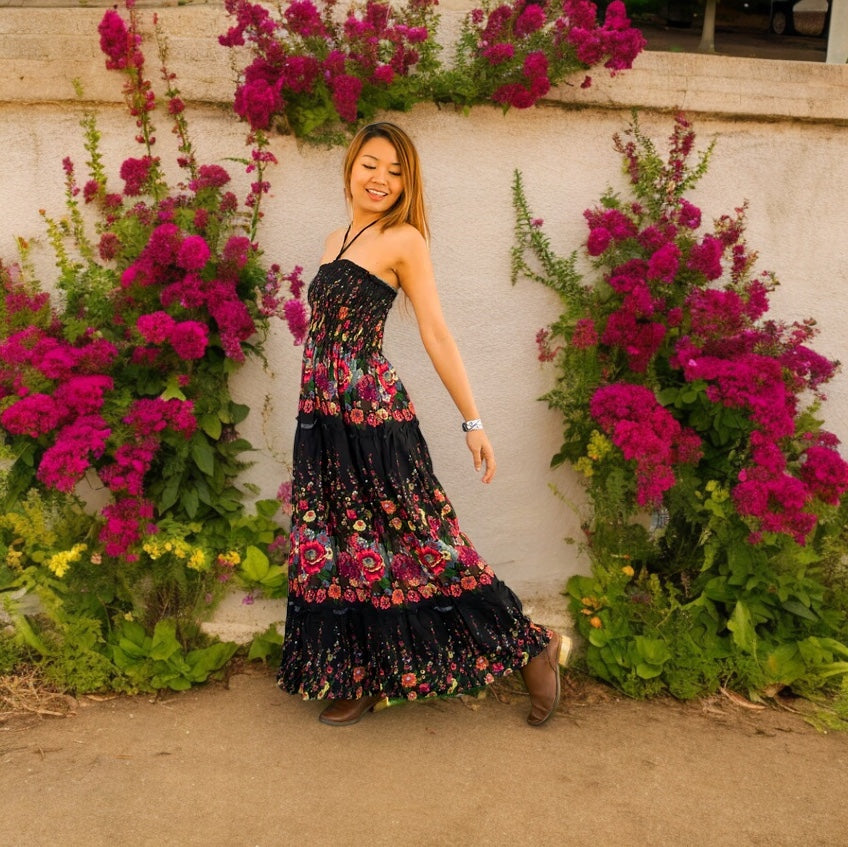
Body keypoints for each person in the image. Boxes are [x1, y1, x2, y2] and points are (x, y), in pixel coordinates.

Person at [277, 121, 562, 727]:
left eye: (396, 171)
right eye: (371, 165)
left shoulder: (403, 239)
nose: (380, 179)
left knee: (424, 546)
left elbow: (435, 332)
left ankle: (532, 645)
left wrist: (473, 421)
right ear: (352, 165)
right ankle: (359, 676)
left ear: (407, 184)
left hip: (375, 422)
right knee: (342, 550)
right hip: (324, 424)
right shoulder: (335, 238)